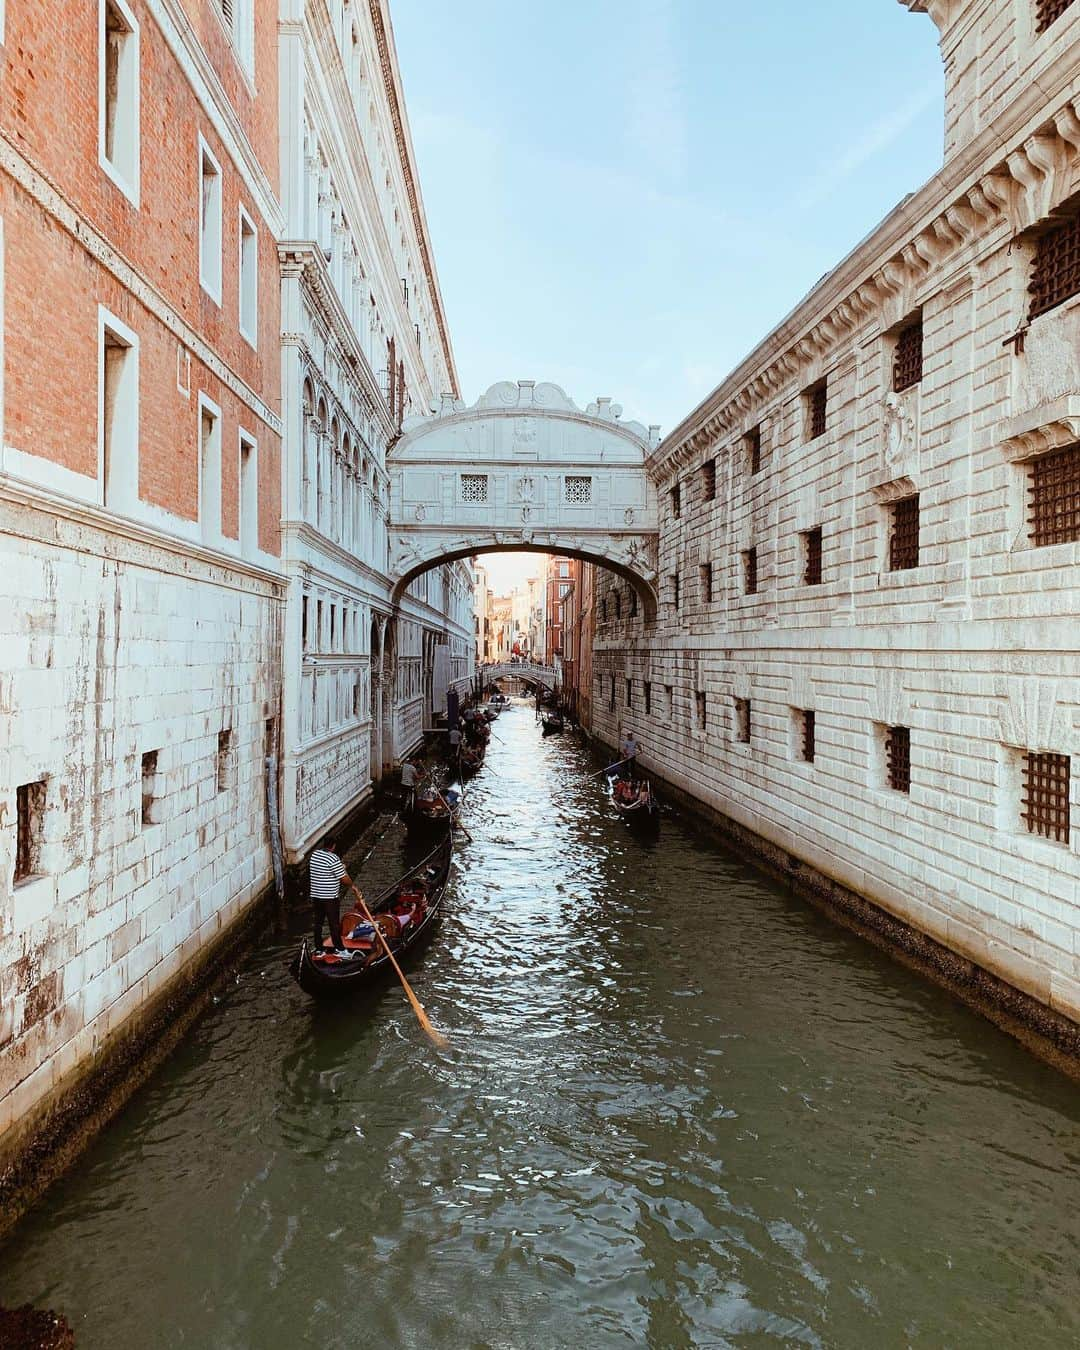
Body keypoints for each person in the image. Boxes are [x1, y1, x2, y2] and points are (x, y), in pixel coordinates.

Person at [310, 836, 356, 958]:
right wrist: (352, 885)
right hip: (330, 897)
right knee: (334, 924)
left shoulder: (315, 855)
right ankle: (339, 949)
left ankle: (319, 950)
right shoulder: (333, 858)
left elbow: (325, 869)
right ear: (333, 846)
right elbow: (344, 879)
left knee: (318, 923)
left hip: (316, 896)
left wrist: (340, 868)